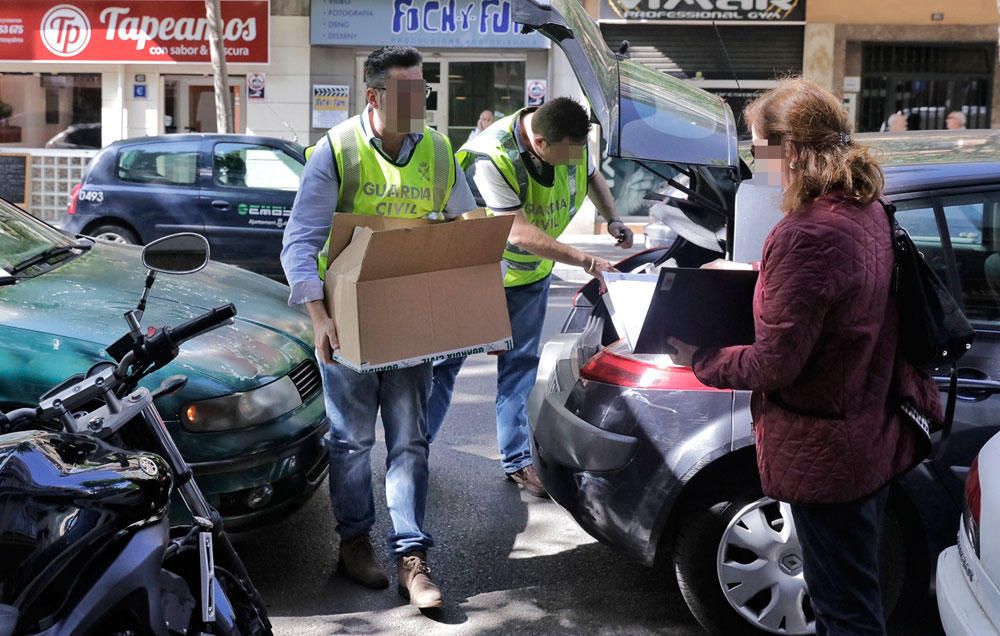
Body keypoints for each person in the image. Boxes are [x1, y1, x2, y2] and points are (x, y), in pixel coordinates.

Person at [667, 78, 941, 635]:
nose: (753, 162)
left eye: (756, 148)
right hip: (867, 435)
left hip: (828, 450)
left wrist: (700, 358)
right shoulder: (865, 209)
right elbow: (831, 314)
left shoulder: (807, 233)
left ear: (789, 151)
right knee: (854, 594)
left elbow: (775, 365)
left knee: (845, 611)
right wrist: (761, 285)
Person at [280, 46, 478, 609]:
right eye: (407, 92)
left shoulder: (440, 151)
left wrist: (465, 299)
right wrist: (318, 317)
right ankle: (353, 542)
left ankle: (412, 555)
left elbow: (463, 228)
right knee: (350, 442)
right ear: (375, 96)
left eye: (423, 91)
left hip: (409, 321)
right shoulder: (337, 150)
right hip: (345, 324)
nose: (420, 103)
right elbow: (300, 242)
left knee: (409, 441)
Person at [426, 97, 634, 498]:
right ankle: (414, 452)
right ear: (539, 142)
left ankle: (517, 460)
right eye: (562, 157)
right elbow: (517, 232)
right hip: (479, 275)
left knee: (518, 369)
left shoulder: (570, 140)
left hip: (529, 276)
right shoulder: (493, 157)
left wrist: (614, 217)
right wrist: (588, 261)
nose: (570, 163)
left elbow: (592, 176)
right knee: (445, 368)